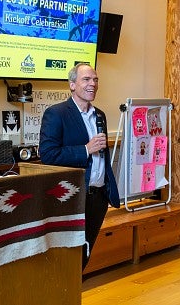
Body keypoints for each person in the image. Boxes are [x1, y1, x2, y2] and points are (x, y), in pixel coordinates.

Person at [39, 63, 120, 271]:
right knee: (69, 253)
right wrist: (85, 150)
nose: (92, 84)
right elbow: (48, 154)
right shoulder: (56, 113)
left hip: (99, 197)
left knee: (86, 251)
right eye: (86, 80)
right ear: (72, 85)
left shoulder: (99, 115)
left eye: (95, 79)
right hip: (74, 196)